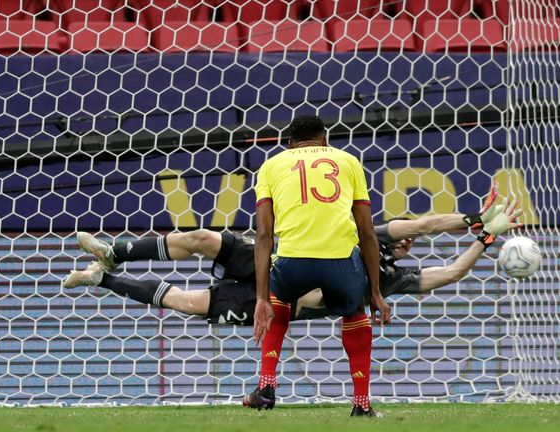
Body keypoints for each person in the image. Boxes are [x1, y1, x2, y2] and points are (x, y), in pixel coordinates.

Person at [62, 195, 521, 327]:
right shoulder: (370, 236)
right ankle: (116, 250)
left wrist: (481, 235)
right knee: (203, 236)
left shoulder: (393, 281)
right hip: (273, 258)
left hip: (283, 300)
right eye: (399, 237)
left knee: (189, 303)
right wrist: (473, 217)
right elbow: (421, 225)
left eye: (405, 245)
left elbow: (455, 270)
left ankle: (100, 278)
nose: (405, 244)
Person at [247, 114, 389, 417]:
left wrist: (261, 299)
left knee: (279, 298)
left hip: (292, 261)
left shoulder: (270, 166)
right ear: (324, 139)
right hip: (340, 262)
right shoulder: (349, 161)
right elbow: (366, 232)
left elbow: (263, 234)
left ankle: (267, 385)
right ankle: (361, 404)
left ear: (289, 144)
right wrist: (374, 291)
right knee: (354, 311)